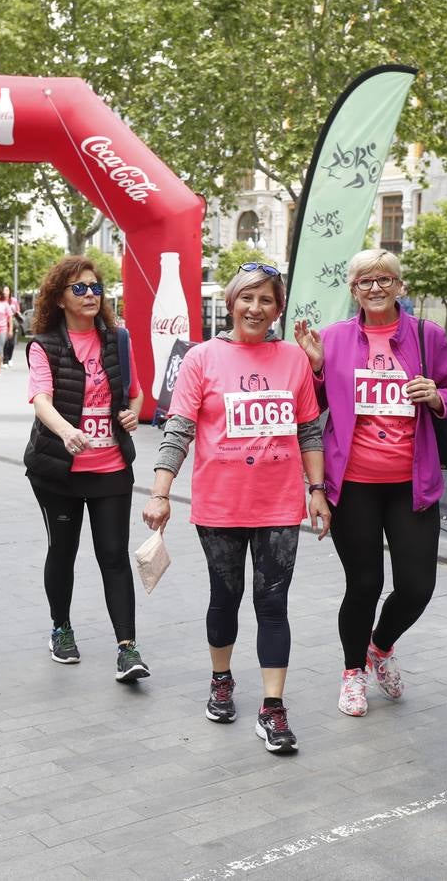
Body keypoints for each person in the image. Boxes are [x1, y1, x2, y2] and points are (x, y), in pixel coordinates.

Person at [142, 262, 330, 754]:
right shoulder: (201, 358)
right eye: (247, 298)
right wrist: (160, 492)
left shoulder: (292, 359)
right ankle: (221, 679)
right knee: (225, 599)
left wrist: (317, 490)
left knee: (272, 605)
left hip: (279, 507)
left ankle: (273, 709)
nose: (255, 307)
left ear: (277, 308)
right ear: (230, 303)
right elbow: (179, 430)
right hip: (219, 507)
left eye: (266, 299)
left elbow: (309, 430)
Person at [293, 248, 447, 718]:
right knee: (364, 583)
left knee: (417, 586)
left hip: (412, 483)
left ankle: (381, 647)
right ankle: (353, 672)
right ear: (353, 290)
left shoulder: (426, 336)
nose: (375, 288)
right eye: (365, 281)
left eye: (384, 279)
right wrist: (314, 367)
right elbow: (310, 407)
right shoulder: (332, 339)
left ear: (400, 286)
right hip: (352, 485)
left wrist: (436, 395)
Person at [24, 256, 148, 682]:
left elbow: (136, 393)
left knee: (113, 555)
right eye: (79, 288)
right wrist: (65, 431)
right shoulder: (44, 345)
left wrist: (131, 415)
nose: (91, 294)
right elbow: (41, 399)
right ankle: (61, 628)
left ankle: (127, 648)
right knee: (63, 551)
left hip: (111, 468)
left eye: (95, 287)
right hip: (58, 470)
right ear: (60, 298)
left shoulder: (118, 339)